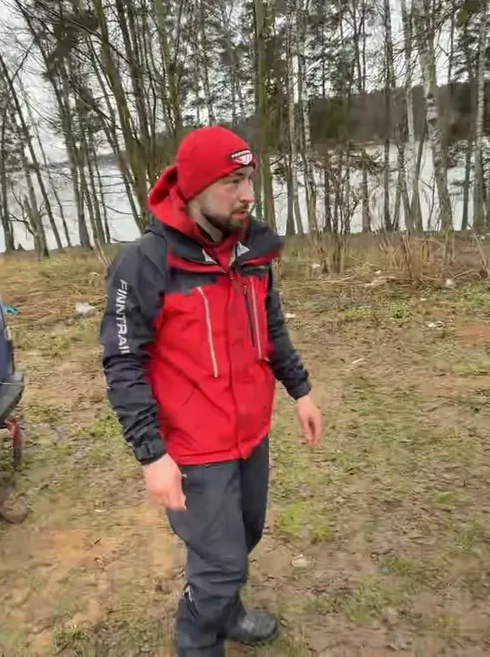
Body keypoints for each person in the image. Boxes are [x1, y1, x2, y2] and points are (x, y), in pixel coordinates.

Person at [99, 125, 325, 657]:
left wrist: (300, 390)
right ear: (195, 189)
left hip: (250, 433)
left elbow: (271, 327)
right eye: (232, 182)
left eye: (249, 179)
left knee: (242, 540)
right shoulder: (146, 263)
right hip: (193, 448)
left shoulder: (251, 250)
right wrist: (152, 455)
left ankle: (228, 612)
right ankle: (197, 641)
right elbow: (124, 363)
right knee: (221, 564)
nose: (248, 194)